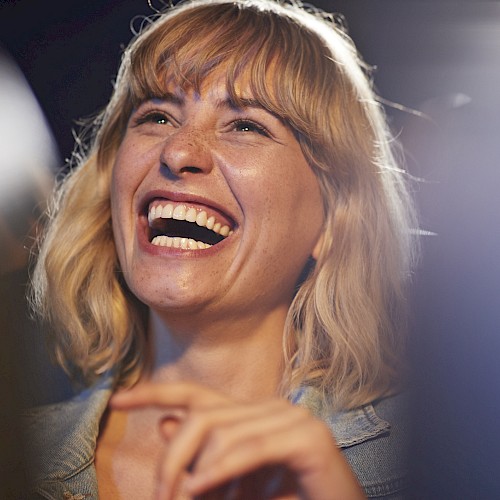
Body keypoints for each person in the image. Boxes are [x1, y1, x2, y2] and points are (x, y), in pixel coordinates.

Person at [27, 0, 417, 498]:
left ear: (335, 222)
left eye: (246, 125)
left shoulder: (435, 460)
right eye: (158, 116)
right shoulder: (15, 454)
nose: (179, 151)